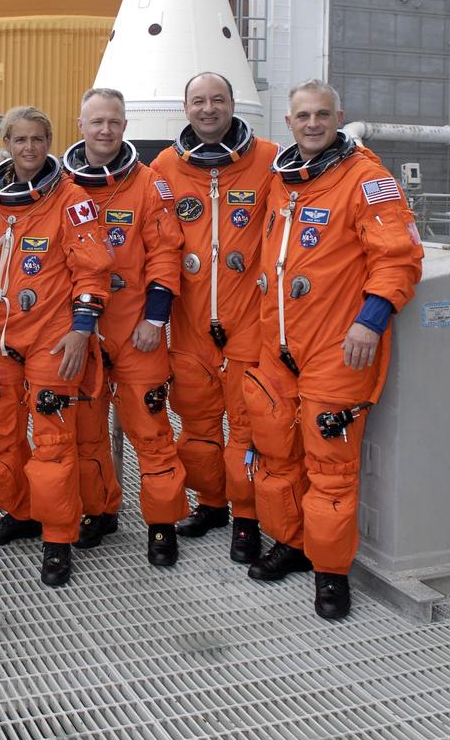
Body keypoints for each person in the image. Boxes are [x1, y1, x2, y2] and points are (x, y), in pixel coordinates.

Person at [243, 79, 422, 619]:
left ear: (339, 117)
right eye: (303, 115)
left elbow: (399, 258)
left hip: (337, 348)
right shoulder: (283, 180)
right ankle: (293, 544)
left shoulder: (367, 179)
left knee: (331, 467)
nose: (313, 123)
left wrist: (371, 321)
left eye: (323, 114)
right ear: (289, 122)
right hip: (279, 345)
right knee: (278, 454)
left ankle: (330, 573)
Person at [0, 107, 112, 586]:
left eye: (37, 139)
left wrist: (81, 328)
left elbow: (92, 270)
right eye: (20, 140)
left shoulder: (71, 200)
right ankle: (20, 512)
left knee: (53, 442)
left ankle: (57, 537)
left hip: (52, 338)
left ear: (49, 141)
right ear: (7, 143)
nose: (29, 148)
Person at [151, 72, 277, 563]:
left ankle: (246, 517)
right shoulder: (164, 166)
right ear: (185, 109)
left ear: (232, 104)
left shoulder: (268, 159)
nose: (209, 109)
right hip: (189, 323)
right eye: (199, 101)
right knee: (199, 429)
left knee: (247, 428)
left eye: (217, 100)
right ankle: (211, 503)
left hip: (248, 321)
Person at [63, 88, 189, 568]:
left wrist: (155, 318)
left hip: (136, 330)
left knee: (151, 430)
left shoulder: (148, 184)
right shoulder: (60, 186)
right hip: (82, 333)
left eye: (114, 121)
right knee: (87, 432)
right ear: (81, 125)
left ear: (124, 126)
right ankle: (99, 511)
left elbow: (165, 252)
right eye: (96, 121)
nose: (105, 130)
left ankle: (162, 523)